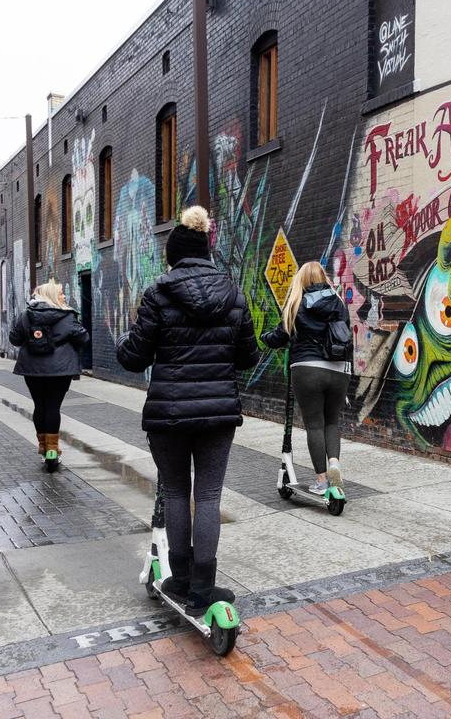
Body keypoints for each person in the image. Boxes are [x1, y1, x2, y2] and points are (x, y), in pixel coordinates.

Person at [116, 205, 259, 616]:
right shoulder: (233, 293)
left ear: (172, 256)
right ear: (207, 252)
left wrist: (133, 338)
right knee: (209, 496)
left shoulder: (158, 294)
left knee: (177, 492)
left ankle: (179, 578)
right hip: (218, 413)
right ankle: (204, 586)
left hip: (169, 414)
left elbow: (132, 356)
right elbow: (248, 357)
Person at [261, 262, 351, 495]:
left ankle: (321, 481)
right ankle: (334, 465)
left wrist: (264, 337)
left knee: (315, 424)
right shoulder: (339, 303)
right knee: (332, 422)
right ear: (324, 277)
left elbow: (281, 336)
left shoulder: (296, 302)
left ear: (301, 280)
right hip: (339, 368)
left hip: (307, 368)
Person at [9, 281, 89, 468]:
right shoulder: (67, 316)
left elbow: (15, 338)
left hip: (32, 369)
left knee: (40, 406)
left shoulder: (25, 316)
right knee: (53, 407)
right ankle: (53, 451)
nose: (64, 297)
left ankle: (44, 449)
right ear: (53, 296)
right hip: (60, 370)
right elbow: (84, 338)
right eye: (60, 293)